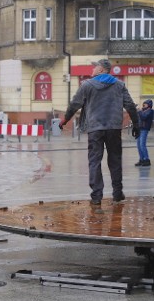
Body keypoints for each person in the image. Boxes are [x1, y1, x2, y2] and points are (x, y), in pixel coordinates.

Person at [59, 58, 140, 206]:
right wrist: (136, 124)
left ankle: (96, 196)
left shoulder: (87, 85)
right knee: (115, 159)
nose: (92, 70)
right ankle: (117, 193)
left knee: (94, 160)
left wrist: (64, 120)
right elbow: (129, 105)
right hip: (114, 128)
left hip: (95, 128)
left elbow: (74, 104)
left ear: (102, 69)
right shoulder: (119, 85)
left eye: (94, 67)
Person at [136, 99, 152, 167]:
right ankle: (141, 160)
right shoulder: (143, 111)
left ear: (149, 105)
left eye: (145, 104)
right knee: (139, 146)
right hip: (139, 129)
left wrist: (139, 111)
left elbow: (143, 117)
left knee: (142, 145)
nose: (143, 105)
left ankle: (147, 160)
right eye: (143, 104)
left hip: (144, 129)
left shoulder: (150, 111)